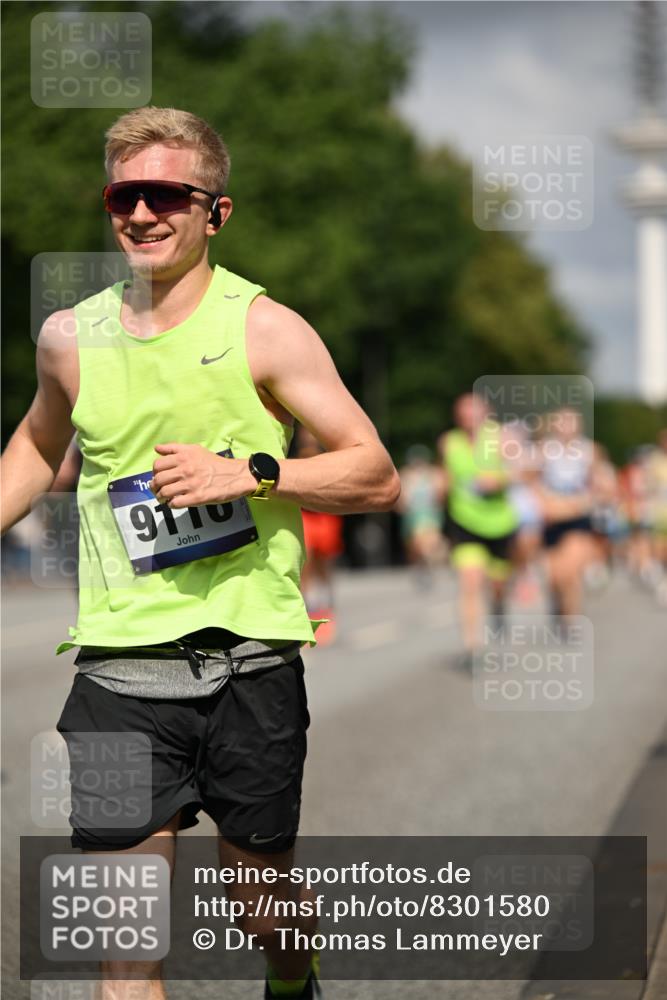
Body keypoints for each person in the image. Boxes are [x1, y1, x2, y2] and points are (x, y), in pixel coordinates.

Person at [0, 106, 400, 1000]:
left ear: (215, 213)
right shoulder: (71, 339)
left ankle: (292, 976)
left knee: (258, 903)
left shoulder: (267, 331)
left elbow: (375, 475)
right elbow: (36, 447)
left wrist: (251, 473)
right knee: (125, 948)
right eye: (123, 195)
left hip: (249, 670)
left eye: (166, 196)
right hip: (117, 676)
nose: (141, 214)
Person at [438, 394, 518, 666]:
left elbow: (523, 471)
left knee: (497, 583)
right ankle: (472, 647)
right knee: (470, 582)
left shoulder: (502, 437)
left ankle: (498, 604)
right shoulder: (449, 442)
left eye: (474, 413)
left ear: (486, 414)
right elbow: (447, 479)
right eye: (463, 414)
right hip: (464, 522)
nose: (469, 419)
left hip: (499, 524)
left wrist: (498, 480)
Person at [535, 407, 597, 618]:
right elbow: (531, 481)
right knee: (555, 576)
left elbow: (598, 484)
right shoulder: (545, 449)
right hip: (551, 519)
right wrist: (545, 503)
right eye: (562, 422)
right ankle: (557, 603)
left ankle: (570, 618)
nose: (566, 427)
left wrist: (580, 502)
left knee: (571, 573)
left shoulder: (589, 450)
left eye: (571, 422)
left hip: (577, 517)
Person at [294, 426, 345, 645]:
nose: (309, 438)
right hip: (306, 517)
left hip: (325, 516)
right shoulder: (296, 459)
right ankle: (309, 615)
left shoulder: (328, 459)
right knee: (306, 563)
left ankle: (327, 610)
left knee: (324, 566)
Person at [396, 444, 447, 586]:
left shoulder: (434, 474)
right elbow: (399, 499)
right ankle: (421, 564)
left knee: (427, 541)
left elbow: (441, 494)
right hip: (412, 515)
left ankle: (429, 561)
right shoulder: (405, 475)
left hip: (429, 513)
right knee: (414, 547)